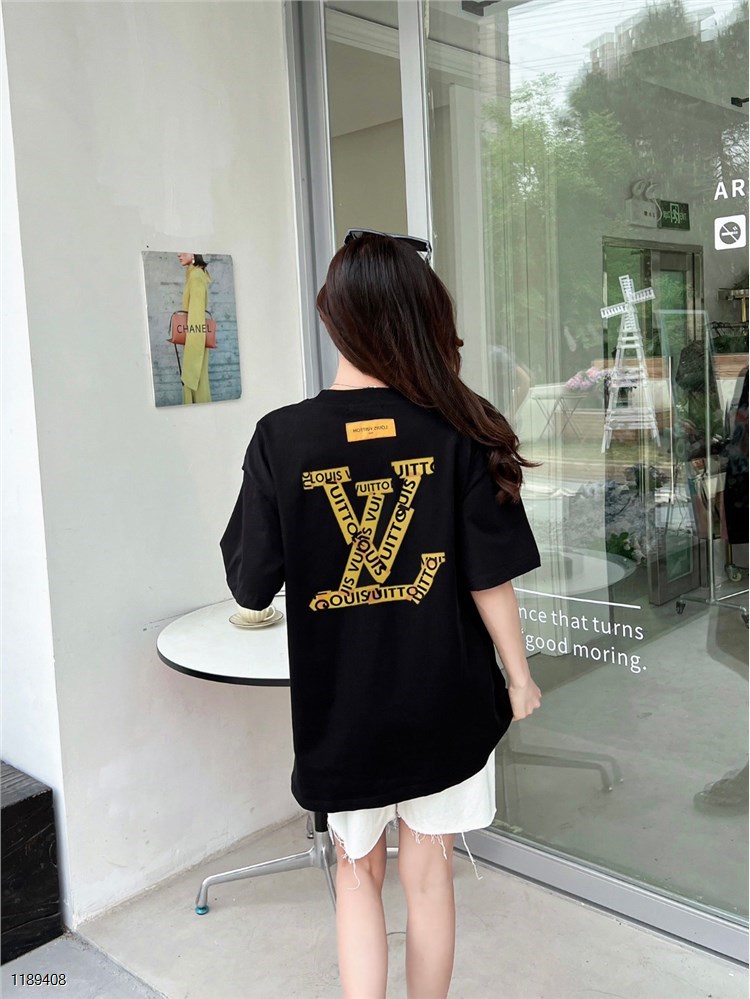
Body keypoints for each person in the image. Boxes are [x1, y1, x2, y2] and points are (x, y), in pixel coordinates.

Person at [219, 230, 543, 999]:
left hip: (344, 710)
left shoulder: (281, 439)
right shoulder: (459, 428)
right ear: (418, 319)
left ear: (334, 319)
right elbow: (489, 578)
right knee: (429, 874)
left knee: (356, 872)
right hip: (446, 701)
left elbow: (250, 585)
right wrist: (519, 677)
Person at [178, 253, 212, 404]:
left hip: (194, 339)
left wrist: (192, 349)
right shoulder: (194, 274)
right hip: (193, 337)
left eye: (183, 251)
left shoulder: (196, 276)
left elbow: (197, 316)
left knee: (195, 383)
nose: (178, 254)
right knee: (198, 385)